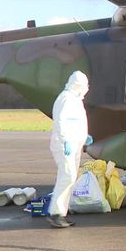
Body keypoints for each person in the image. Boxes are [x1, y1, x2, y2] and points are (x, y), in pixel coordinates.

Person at [47, 71, 93, 228]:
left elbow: (77, 122)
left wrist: (84, 136)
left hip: (74, 145)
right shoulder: (66, 98)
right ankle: (56, 213)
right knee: (66, 177)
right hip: (64, 145)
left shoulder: (75, 100)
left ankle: (62, 213)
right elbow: (61, 122)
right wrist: (66, 141)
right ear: (77, 85)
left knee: (70, 178)